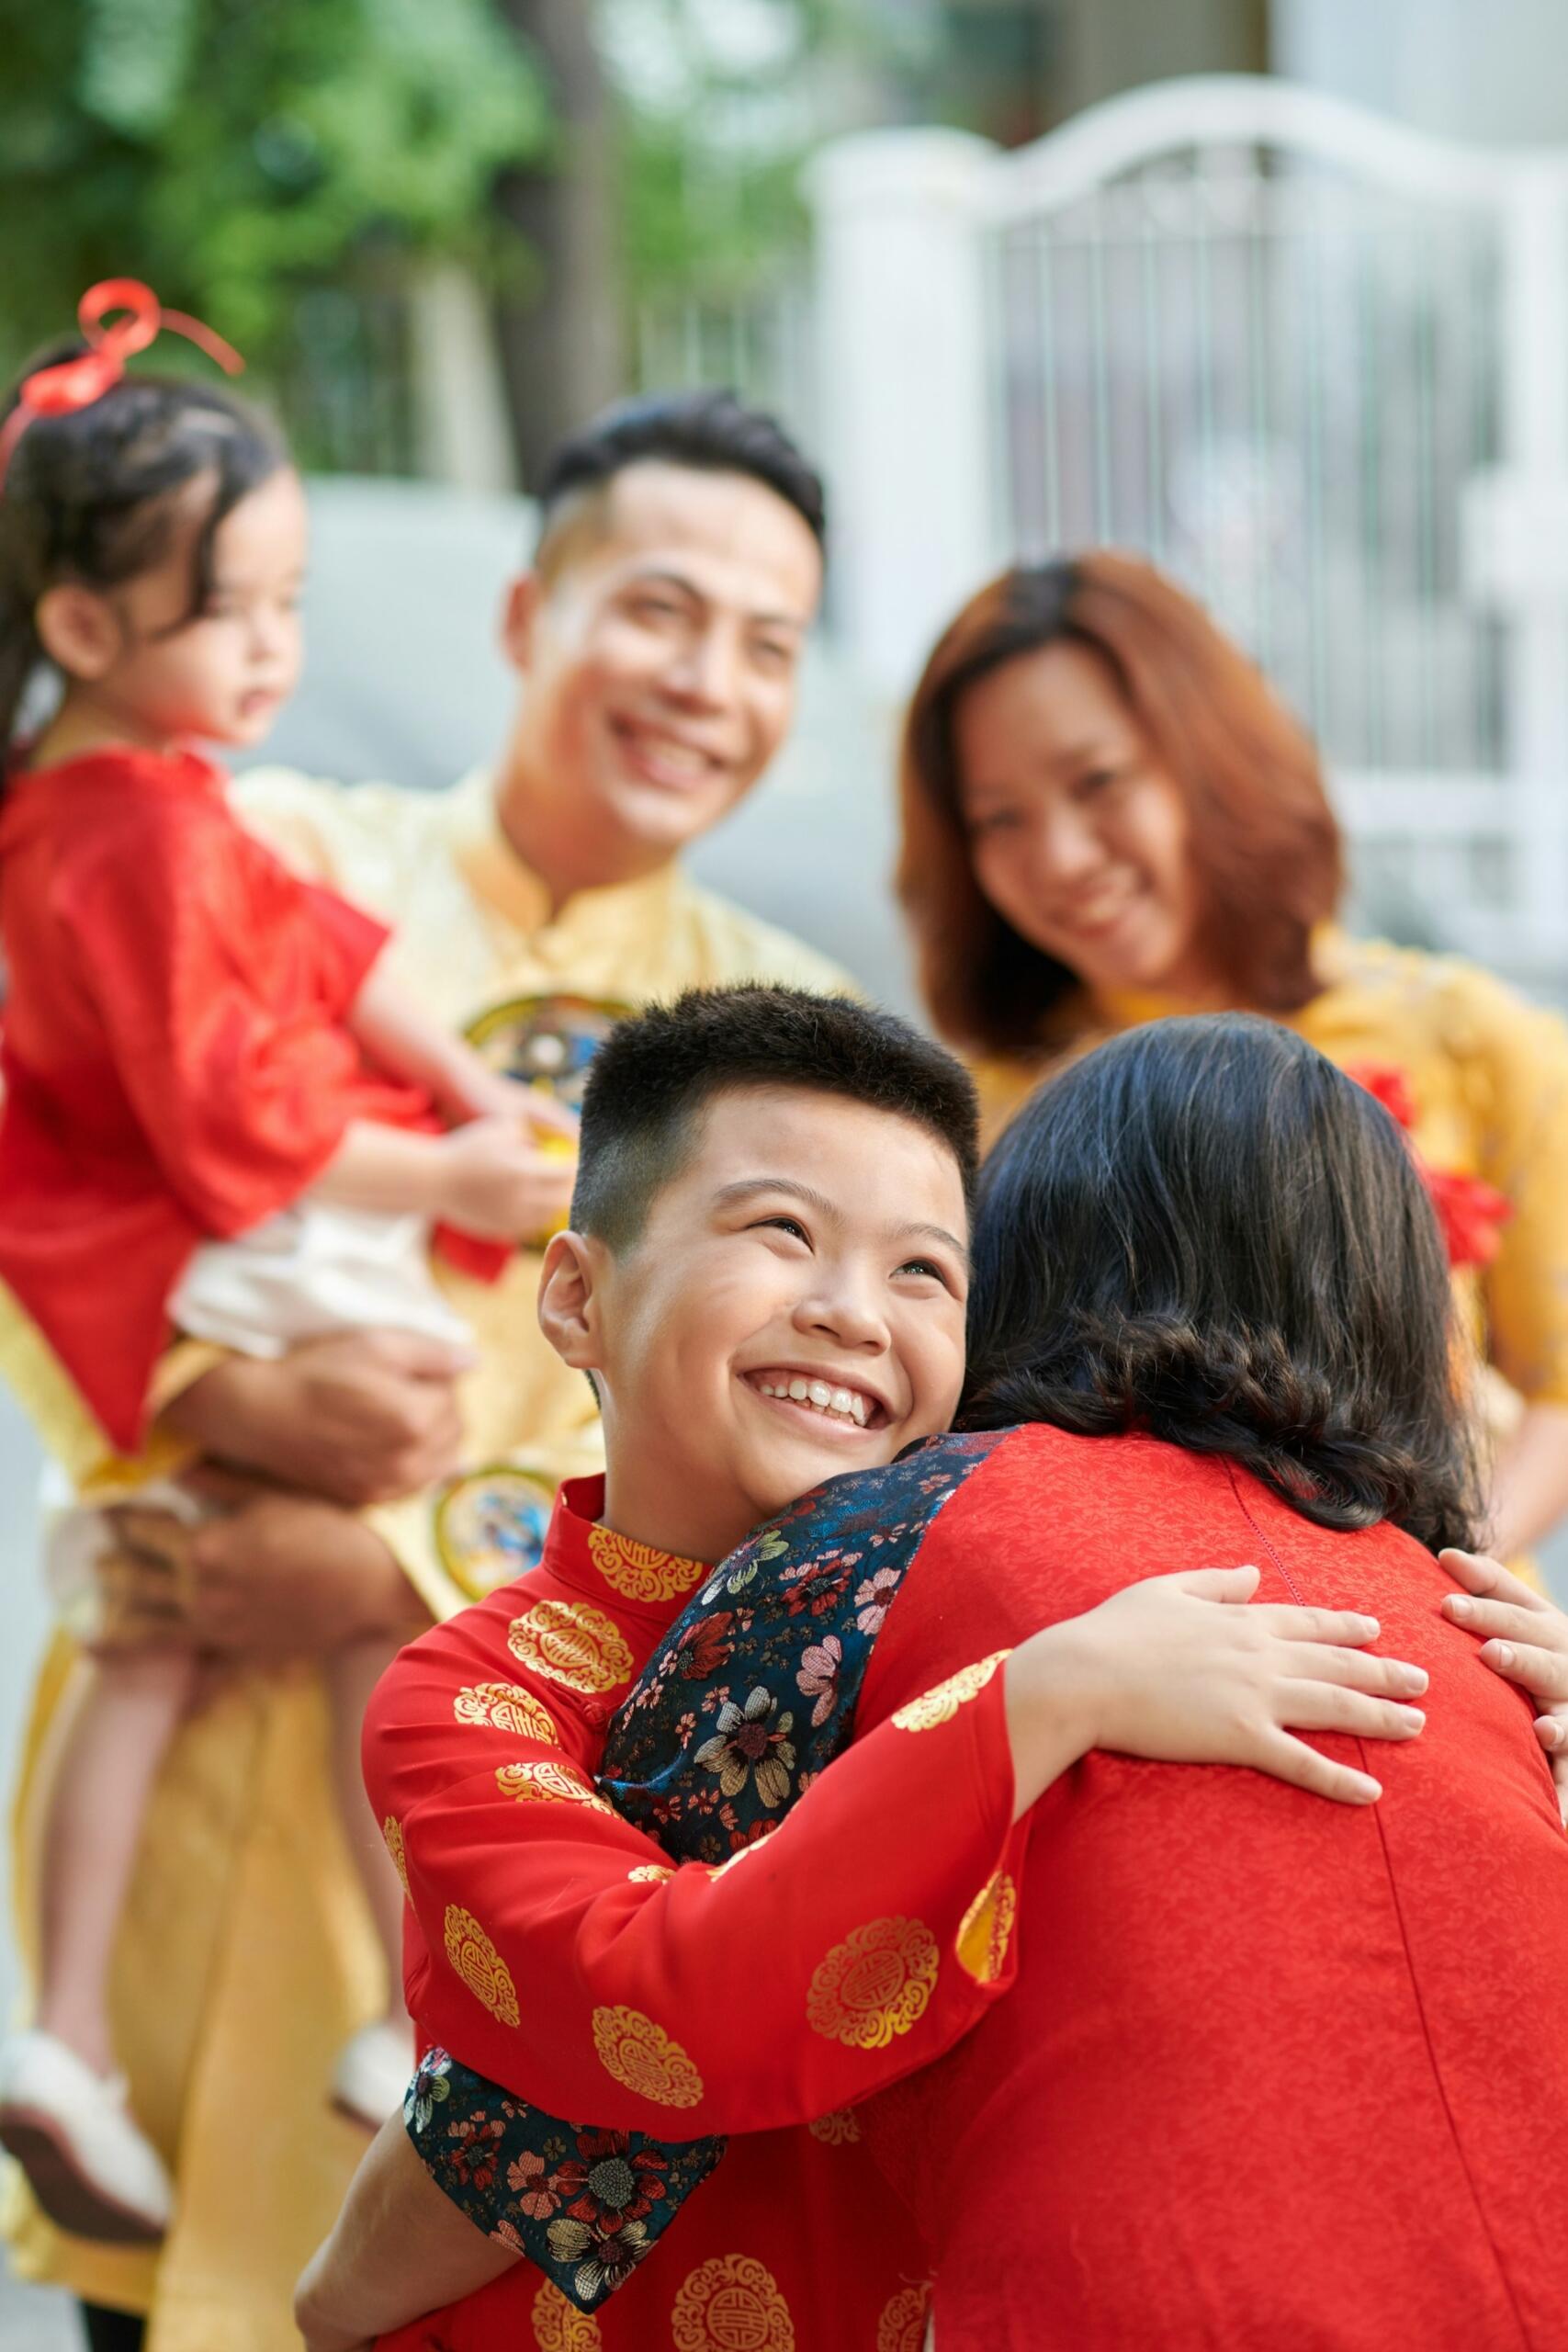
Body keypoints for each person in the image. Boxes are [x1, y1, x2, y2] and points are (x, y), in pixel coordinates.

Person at [0, 390, 846, 2349]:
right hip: (201, 1817)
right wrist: (202, 1407)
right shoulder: (254, 834)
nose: (704, 678)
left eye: (767, 640)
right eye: (658, 605)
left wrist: (392, 1563)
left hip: (505, 1854)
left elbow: (793, 1434)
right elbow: (41, 1169)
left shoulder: (796, 1033)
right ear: (526, 608)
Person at [343, 1012, 1568, 2349]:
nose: (848, 1311)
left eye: (925, 1270)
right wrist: (1041, 1698)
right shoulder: (467, 1691)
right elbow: (647, 2009)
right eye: (779, 1233)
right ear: (576, 1293)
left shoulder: (1008, 1601)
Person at [0, 285, 583, 2245]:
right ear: (86, 628)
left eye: (289, 597)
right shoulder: (140, 840)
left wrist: (447, 1091)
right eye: (237, 610)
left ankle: (84, 2030)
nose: (280, 649)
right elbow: (233, 1130)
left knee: (170, 1633)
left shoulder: (141, 806)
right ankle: (390, 2013)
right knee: (359, 1618)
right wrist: (457, 1168)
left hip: (191, 1280)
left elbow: (332, 949)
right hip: (234, 1265)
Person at [896, 552, 1568, 1566]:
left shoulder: (1472, 1041)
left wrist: (1444, 1566)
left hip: (1432, 1662)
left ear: (1209, 756)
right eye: (1002, 820)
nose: (1065, 857)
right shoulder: (956, 1115)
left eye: (1099, 781)